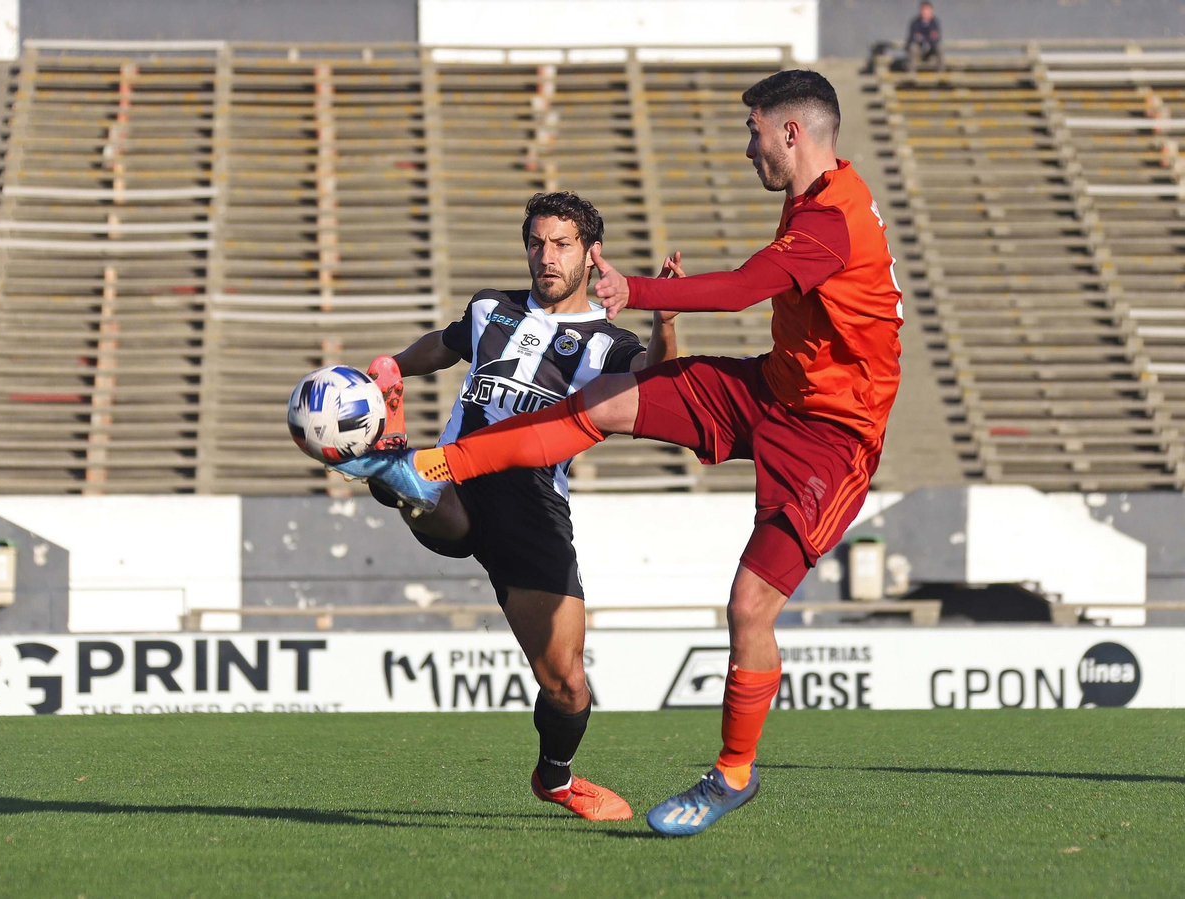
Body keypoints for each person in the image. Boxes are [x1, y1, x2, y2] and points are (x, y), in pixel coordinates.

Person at [341, 70, 903, 836]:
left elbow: (742, 289)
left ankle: (733, 773)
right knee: (604, 403)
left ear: (791, 132)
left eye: (754, 134)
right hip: (770, 388)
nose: (749, 150)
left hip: (832, 437)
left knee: (747, 608)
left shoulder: (834, 219)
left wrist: (639, 292)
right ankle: (426, 467)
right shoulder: (814, 197)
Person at [353, 191, 683, 821]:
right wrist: (392, 366)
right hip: (456, 474)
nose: (546, 256)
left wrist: (665, 321)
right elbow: (445, 344)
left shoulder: (606, 343)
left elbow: (656, 379)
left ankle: (555, 779)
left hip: (532, 503)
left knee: (568, 686)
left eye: (561, 244)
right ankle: (392, 465)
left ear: (591, 253)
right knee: (414, 481)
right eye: (536, 243)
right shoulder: (490, 309)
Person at [906, 1, 943, 71]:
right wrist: (926, 38)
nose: (925, 12)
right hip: (919, 49)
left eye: (927, 10)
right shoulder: (915, 23)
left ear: (932, 11)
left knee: (940, 48)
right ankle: (911, 73)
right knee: (913, 48)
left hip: (931, 49)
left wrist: (923, 38)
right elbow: (911, 38)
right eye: (923, 10)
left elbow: (937, 37)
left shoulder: (935, 22)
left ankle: (941, 73)